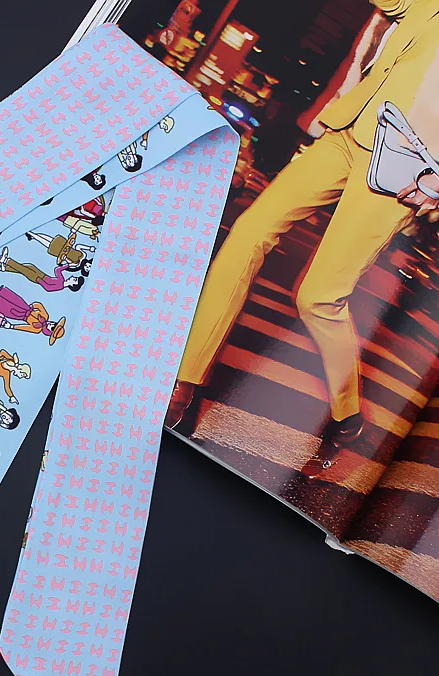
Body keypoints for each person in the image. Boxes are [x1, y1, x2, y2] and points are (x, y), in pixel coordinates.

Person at [166, 0, 439, 479]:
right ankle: (184, 384)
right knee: (248, 233)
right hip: (348, 132)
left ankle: (348, 415)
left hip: (401, 168)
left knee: (318, 298)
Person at [0, 275, 66, 345]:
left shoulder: (36, 329)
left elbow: (24, 327)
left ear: (49, 332)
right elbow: (39, 305)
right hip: (25, 306)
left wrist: (12, 326)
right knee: (7, 294)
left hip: (18, 315)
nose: (52, 324)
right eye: (54, 324)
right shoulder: (46, 316)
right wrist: (32, 306)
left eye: (53, 328)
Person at [0, 245, 85, 291]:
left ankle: (6, 260)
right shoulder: (62, 280)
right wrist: (68, 265)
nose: (72, 277)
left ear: (72, 285)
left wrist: (39, 280)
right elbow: (57, 270)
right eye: (75, 278)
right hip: (42, 275)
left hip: (38, 278)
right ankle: (5, 268)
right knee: (28, 266)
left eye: (74, 280)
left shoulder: (61, 286)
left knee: (23, 269)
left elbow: (48, 288)